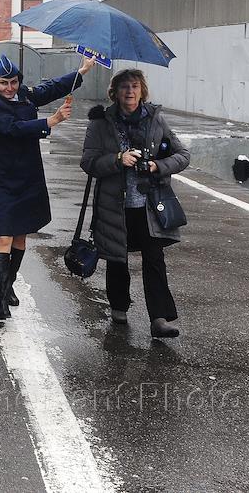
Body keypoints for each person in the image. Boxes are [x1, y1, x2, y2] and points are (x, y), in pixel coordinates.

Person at [0, 54, 96, 320]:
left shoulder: (26, 95)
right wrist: (50, 122)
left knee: (20, 235)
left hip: (28, 175)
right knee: (2, 237)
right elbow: (14, 128)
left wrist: (82, 71)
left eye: (14, 82)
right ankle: (1, 303)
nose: (9, 88)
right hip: (0, 179)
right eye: (3, 83)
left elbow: (52, 87)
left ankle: (8, 284)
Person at [80, 69, 190, 338]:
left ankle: (159, 318)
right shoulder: (100, 123)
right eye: (124, 87)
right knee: (117, 258)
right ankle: (119, 307)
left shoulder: (155, 120)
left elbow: (183, 155)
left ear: (142, 90)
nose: (130, 92)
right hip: (114, 203)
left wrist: (157, 165)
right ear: (114, 92)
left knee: (154, 259)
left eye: (134, 86)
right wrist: (118, 159)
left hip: (150, 204)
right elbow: (88, 162)